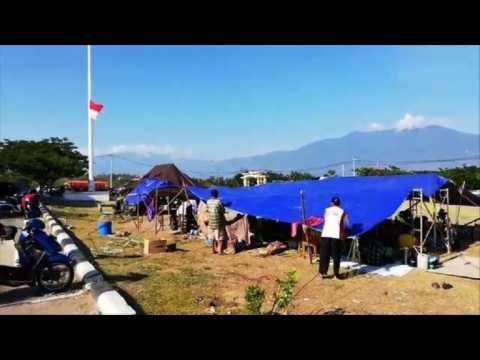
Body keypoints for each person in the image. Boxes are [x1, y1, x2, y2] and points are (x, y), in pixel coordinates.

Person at [316, 196, 349, 280]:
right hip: (336, 235)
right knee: (336, 255)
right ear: (339, 204)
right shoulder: (343, 212)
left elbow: (325, 219)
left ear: (331, 203)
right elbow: (346, 224)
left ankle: (322, 273)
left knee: (324, 255)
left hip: (326, 233)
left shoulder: (327, 210)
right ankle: (336, 275)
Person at [205, 189, 227, 255]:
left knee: (213, 236)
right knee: (220, 236)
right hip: (218, 221)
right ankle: (220, 251)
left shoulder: (208, 201)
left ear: (211, 195)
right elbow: (222, 210)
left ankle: (213, 250)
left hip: (211, 221)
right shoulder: (218, 201)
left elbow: (207, 210)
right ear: (217, 194)